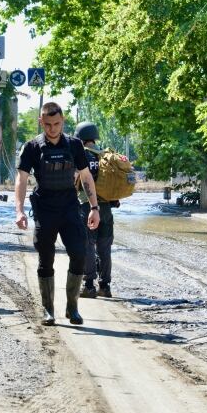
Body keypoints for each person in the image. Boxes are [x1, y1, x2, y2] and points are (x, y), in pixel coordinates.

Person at [15, 102, 100, 326]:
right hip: (44, 208)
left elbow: (86, 176)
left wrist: (94, 207)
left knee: (79, 253)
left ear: (63, 121)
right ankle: (48, 310)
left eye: (57, 124)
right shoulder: (32, 147)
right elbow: (21, 179)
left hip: (69, 207)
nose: (53, 128)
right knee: (46, 258)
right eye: (48, 124)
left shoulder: (74, 145)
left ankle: (72, 308)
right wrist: (20, 210)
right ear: (41, 122)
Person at [74, 121, 118, 298]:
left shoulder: (81, 156)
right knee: (105, 248)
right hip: (106, 208)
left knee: (87, 246)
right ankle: (105, 286)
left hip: (88, 207)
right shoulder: (105, 156)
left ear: (81, 139)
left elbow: (74, 182)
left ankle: (89, 286)